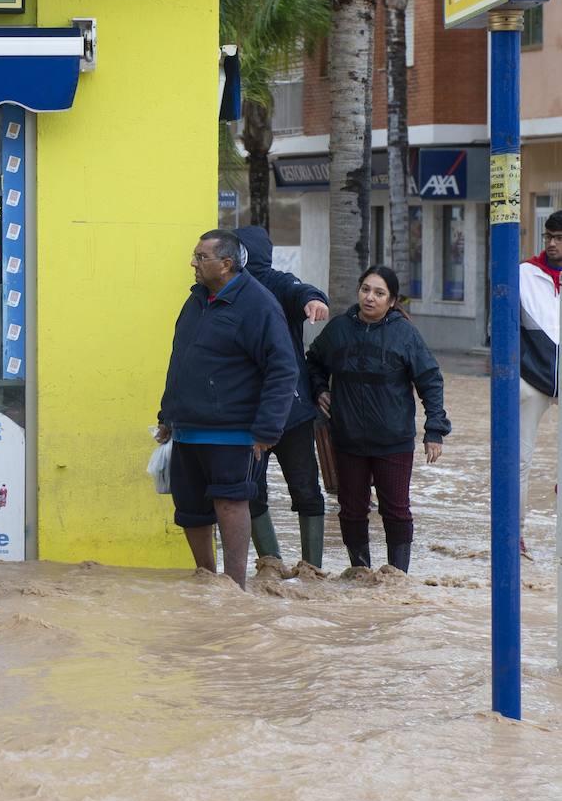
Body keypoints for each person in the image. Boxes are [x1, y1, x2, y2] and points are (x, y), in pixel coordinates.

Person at [156, 229, 297, 590]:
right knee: (190, 511)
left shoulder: (259, 305)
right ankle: (207, 580)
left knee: (231, 503)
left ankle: (234, 588)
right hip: (188, 427)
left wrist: (268, 430)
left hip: (236, 431)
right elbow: (181, 360)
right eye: (195, 255)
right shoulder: (196, 300)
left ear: (227, 263)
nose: (193, 263)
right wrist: (167, 415)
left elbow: (283, 369)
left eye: (201, 257)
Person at [306, 265, 450, 573]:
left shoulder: (404, 334)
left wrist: (434, 430)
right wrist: (319, 390)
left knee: (396, 511)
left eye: (379, 293)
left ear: (392, 301)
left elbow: (431, 380)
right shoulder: (339, 329)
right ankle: (360, 573)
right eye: (365, 290)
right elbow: (313, 362)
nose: (370, 298)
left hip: (393, 441)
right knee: (352, 511)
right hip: (347, 439)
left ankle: (396, 576)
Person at [234, 226, 331, 567]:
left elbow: (301, 291)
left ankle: (310, 567)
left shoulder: (275, 282)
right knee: (254, 491)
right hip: (251, 415)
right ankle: (271, 564)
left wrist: (315, 301)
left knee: (302, 489)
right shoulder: (226, 291)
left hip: (291, 413)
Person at [518, 212, 562, 555]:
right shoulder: (523, 274)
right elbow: (499, 328)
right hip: (531, 378)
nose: (551, 243)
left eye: (559, 238)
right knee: (520, 460)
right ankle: (514, 536)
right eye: (548, 236)